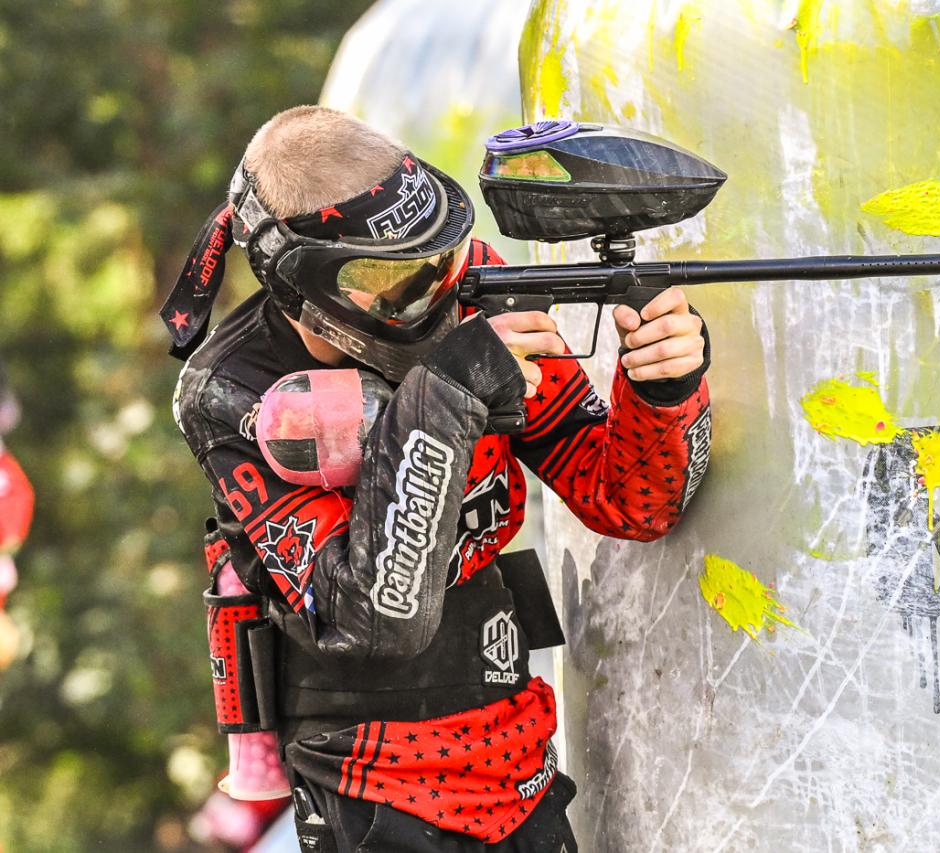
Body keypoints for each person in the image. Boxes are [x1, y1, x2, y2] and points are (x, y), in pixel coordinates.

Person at [165, 106, 711, 852]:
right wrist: (447, 397)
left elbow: (627, 500)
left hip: (516, 756)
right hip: (368, 782)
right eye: (387, 278)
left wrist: (664, 386)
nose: (438, 290)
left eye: (440, 255)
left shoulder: (469, 284)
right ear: (301, 285)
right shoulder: (234, 392)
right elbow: (377, 619)